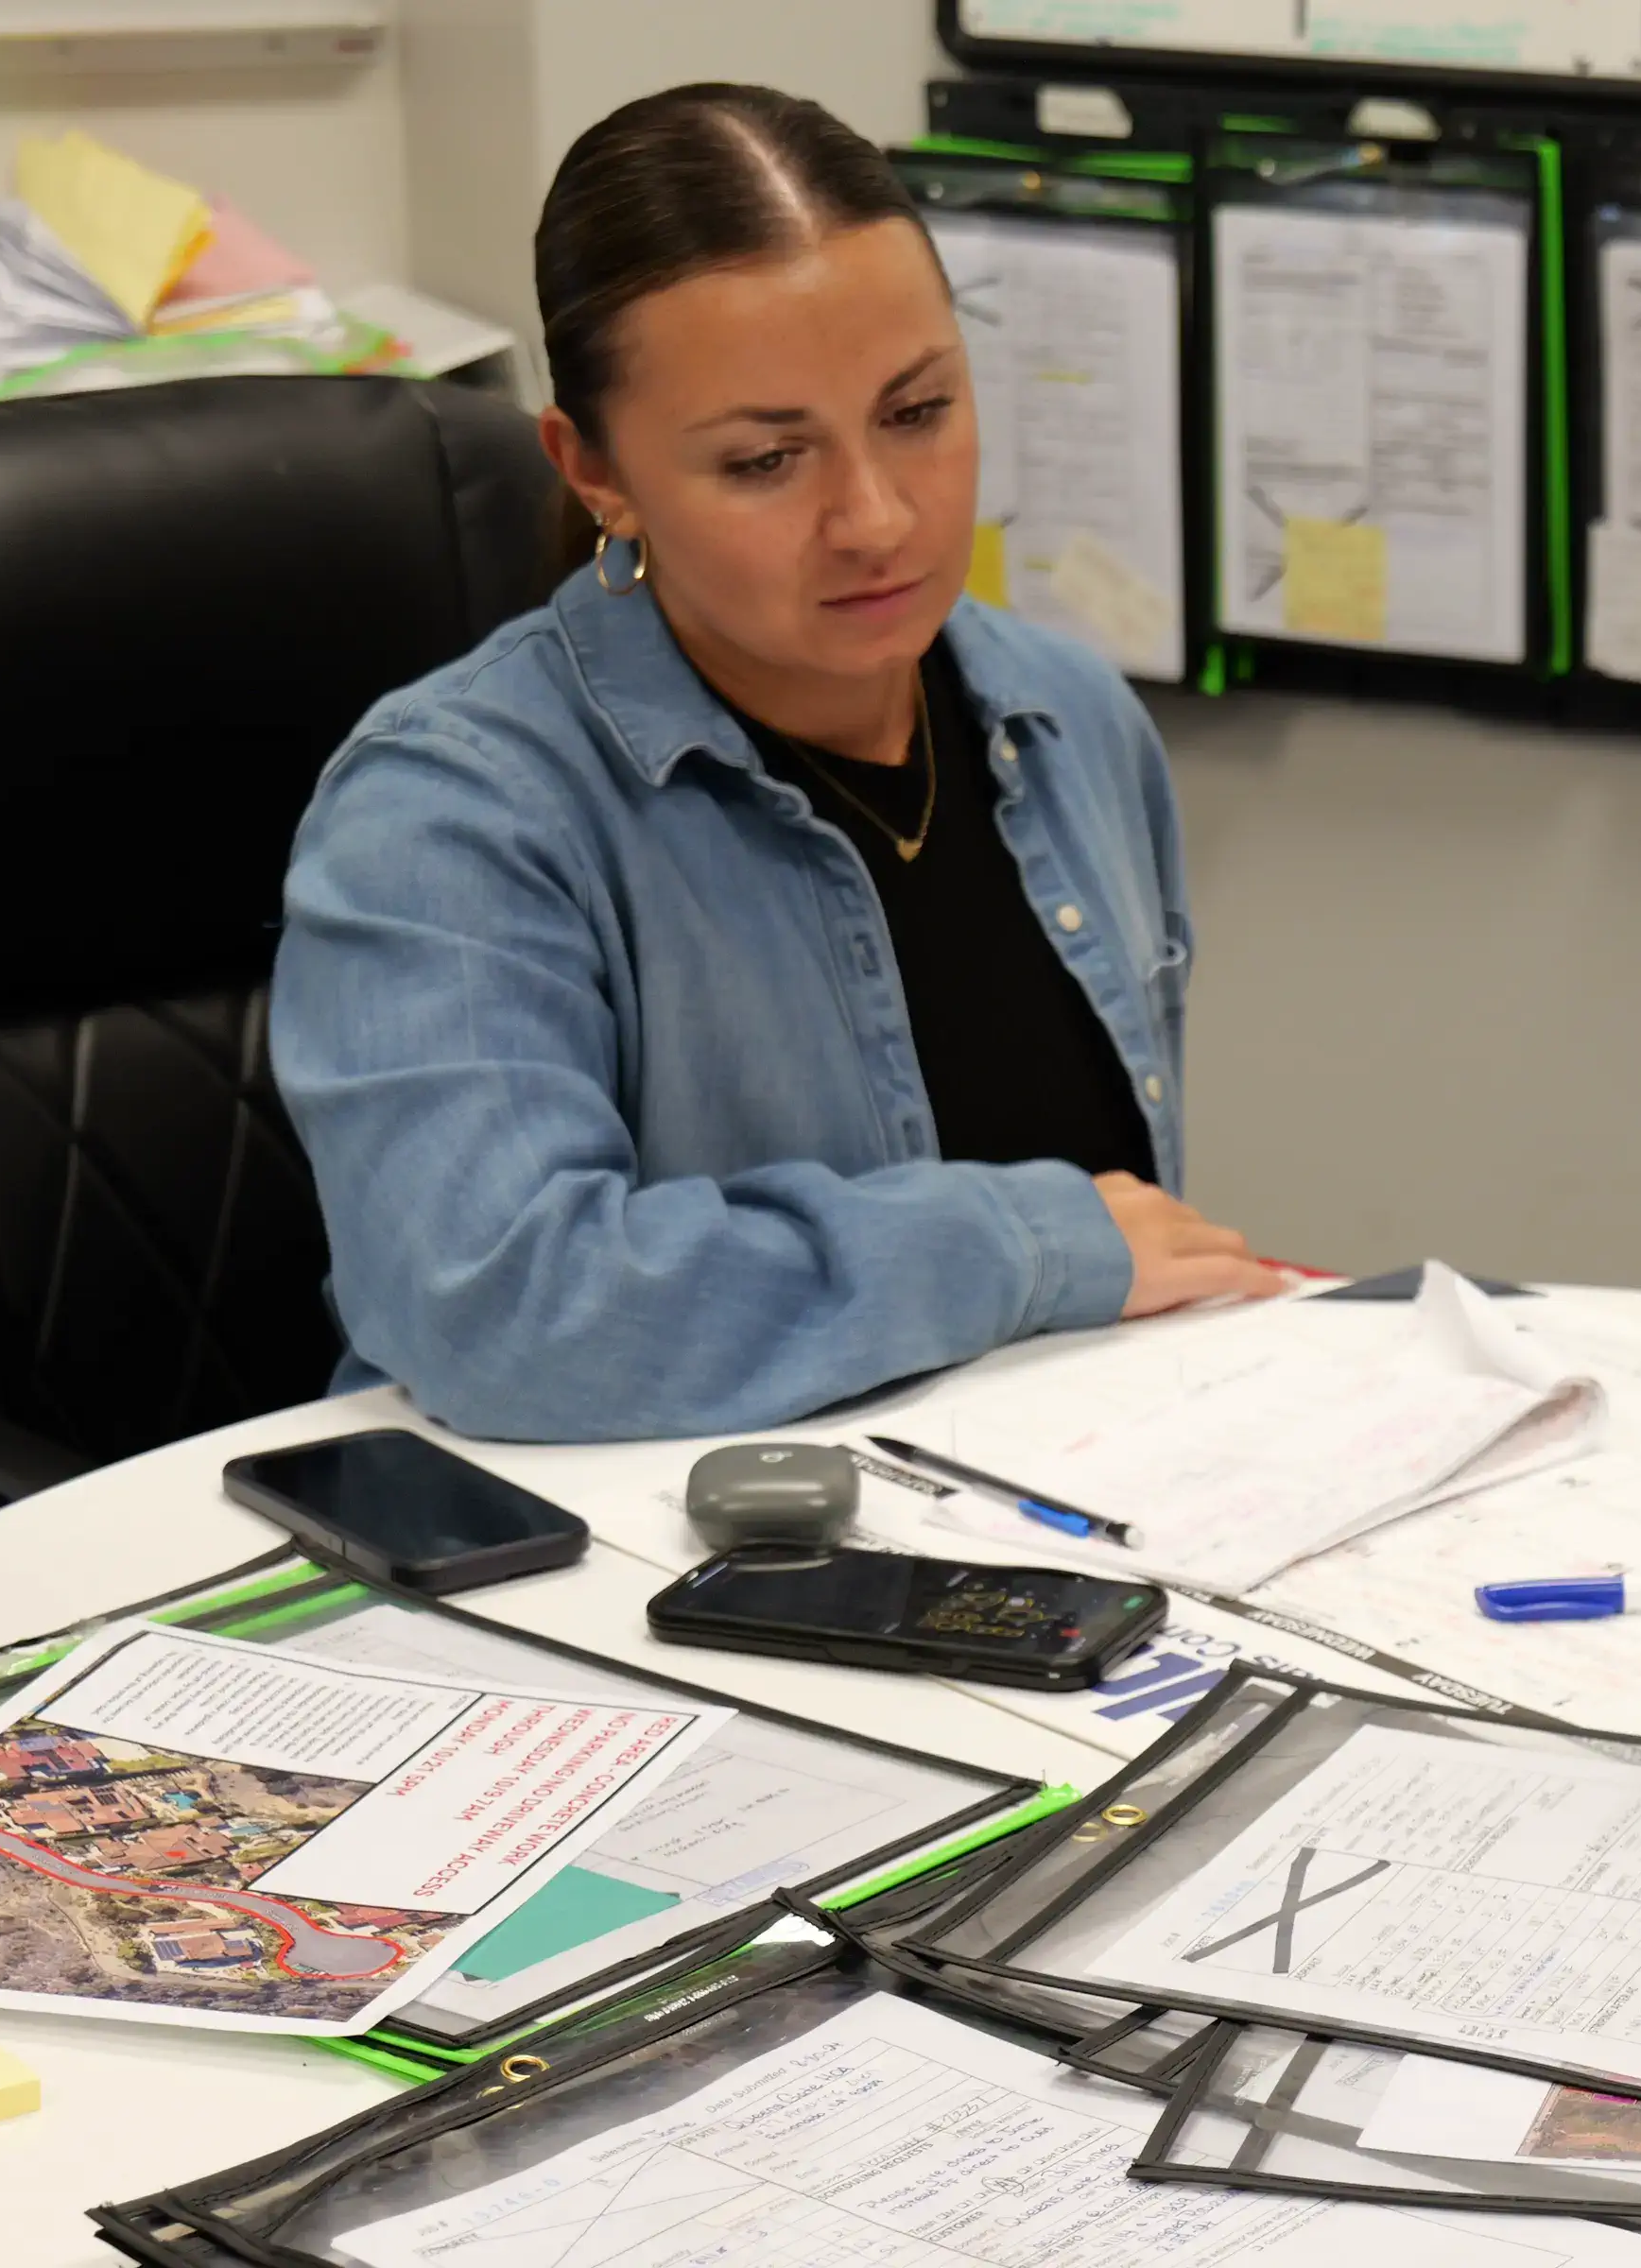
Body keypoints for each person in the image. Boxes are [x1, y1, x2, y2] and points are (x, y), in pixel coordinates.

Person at [274, 85, 1282, 1441]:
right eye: (765, 460)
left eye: (918, 411)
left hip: (1046, 1516)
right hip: (617, 1578)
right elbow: (502, 1311)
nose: (875, 517)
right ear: (596, 474)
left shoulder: (1065, 716)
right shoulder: (451, 812)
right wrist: (1020, 1245)